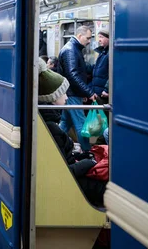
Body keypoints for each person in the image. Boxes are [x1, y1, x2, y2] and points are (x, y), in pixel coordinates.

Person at [37, 58, 106, 207]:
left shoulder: (49, 124)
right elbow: (63, 172)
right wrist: (88, 163)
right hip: (71, 180)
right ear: (52, 99)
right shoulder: (52, 128)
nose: (67, 97)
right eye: (63, 94)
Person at [58, 25, 97, 149]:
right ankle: (87, 152)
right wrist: (88, 92)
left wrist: (83, 93)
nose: (89, 41)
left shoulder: (72, 48)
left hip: (71, 93)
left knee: (65, 123)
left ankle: (55, 145)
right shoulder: (71, 50)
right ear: (80, 36)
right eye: (88, 38)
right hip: (72, 93)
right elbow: (73, 75)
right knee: (81, 124)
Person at [90, 29, 110, 100]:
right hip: (98, 91)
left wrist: (107, 90)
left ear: (109, 38)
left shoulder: (110, 53)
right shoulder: (102, 53)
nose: (99, 40)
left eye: (101, 37)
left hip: (103, 93)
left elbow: (113, 73)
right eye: (99, 37)